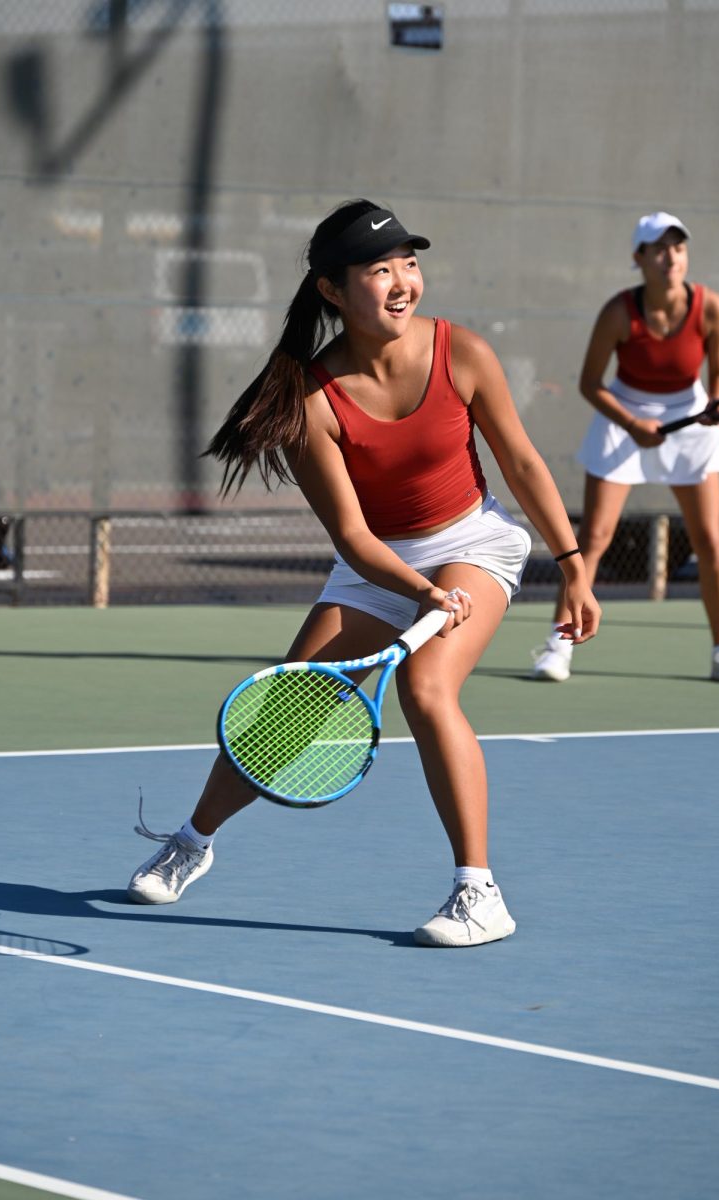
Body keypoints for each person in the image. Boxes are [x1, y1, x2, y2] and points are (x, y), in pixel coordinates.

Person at [127, 198, 601, 947]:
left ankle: (479, 893)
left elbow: (522, 462)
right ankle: (192, 840)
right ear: (333, 291)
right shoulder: (307, 402)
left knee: (425, 685)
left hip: (474, 541)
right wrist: (417, 593)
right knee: (285, 713)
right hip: (377, 562)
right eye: (379, 269)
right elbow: (351, 535)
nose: (402, 280)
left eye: (409, 263)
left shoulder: (463, 352)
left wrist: (572, 565)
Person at [532, 211, 719, 684]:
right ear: (639, 258)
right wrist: (631, 422)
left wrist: (718, 412)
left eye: (678, 247)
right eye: (659, 248)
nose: (671, 257)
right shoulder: (618, 312)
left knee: (709, 540)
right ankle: (558, 646)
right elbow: (590, 383)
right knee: (593, 541)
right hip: (622, 415)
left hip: (690, 415)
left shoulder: (712, 308)